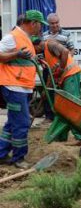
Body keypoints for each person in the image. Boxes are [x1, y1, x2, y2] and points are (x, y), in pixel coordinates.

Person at [0, 10, 47, 169]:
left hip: (22, 86)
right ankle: (19, 158)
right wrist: (17, 54)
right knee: (22, 123)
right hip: (14, 86)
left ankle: (2, 154)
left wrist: (36, 60)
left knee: (12, 123)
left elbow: (24, 58)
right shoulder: (12, 37)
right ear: (33, 23)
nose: (41, 28)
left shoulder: (25, 38)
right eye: (40, 24)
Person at [32, 37, 81, 143]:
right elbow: (52, 72)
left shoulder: (50, 44)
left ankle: (80, 136)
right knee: (62, 108)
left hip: (71, 74)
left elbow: (65, 51)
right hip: (66, 77)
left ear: (36, 46)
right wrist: (45, 91)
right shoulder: (46, 54)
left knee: (71, 106)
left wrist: (61, 68)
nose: (35, 52)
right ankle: (61, 136)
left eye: (34, 50)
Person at [42, 13, 75, 123]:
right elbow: (42, 52)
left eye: (57, 23)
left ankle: (61, 116)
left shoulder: (66, 34)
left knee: (61, 92)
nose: (55, 25)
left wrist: (64, 63)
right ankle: (48, 116)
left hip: (62, 68)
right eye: (52, 23)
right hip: (48, 68)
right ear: (48, 24)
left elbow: (71, 50)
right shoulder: (44, 35)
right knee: (48, 91)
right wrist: (42, 61)